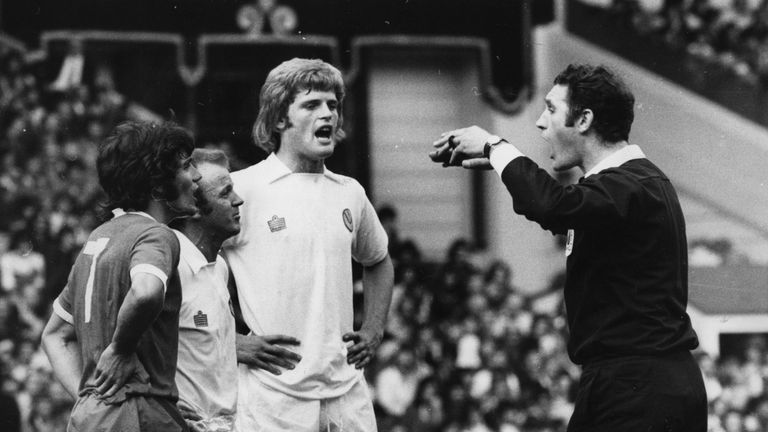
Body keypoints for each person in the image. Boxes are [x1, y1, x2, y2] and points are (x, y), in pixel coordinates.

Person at [430, 63, 707, 431]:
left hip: (638, 387)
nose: (540, 122)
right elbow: (560, 202)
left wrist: (495, 147)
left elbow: (552, 205)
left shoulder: (631, 185)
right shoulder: (629, 184)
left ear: (584, 120)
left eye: (551, 108)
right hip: (632, 383)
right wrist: (502, 167)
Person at [222, 57, 394, 431]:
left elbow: (379, 260)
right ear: (280, 118)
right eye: (312, 104)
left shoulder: (349, 192)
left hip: (346, 393)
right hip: (272, 397)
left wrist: (374, 328)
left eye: (333, 105)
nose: (328, 114)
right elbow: (194, 269)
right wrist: (231, 341)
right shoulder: (243, 188)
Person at [40, 121, 201, 432]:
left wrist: (93, 399)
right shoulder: (155, 234)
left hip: (91, 418)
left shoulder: (98, 239)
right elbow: (146, 292)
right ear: (156, 185)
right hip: (138, 415)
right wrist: (121, 349)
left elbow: (54, 336)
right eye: (186, 165)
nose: (196, 176)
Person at [172, 148, 244, 432]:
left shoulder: (220, 266)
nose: (238, 200)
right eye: (226, 193)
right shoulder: (171, 263)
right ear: (195, 207)